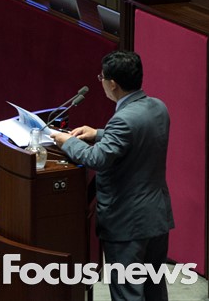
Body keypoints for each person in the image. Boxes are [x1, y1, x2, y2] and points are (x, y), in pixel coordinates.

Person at [50, 50, 174, 301]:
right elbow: (137, 136)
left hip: (127, 223)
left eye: (102, 78)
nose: (101, 82)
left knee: (127, 294)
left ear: (113, 84)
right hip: (156, 217)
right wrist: (98, 133)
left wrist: (66, 142)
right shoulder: (158, 107)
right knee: (154, 290)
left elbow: (97, 159)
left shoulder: (124, 119)